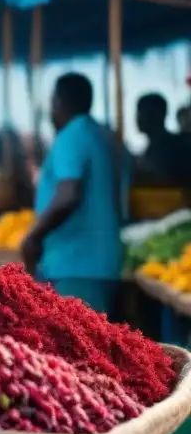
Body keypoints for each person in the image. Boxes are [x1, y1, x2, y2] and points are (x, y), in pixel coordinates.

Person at [21, 73, 128, 317]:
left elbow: (69, 194)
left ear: (59, 101)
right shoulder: (99, 133)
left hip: (76, 265)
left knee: (76, 348)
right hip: (96, 263)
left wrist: (34, 236)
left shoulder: (72, 135)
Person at [134, 93, 189, 186]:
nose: (137, 118)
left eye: (141, 112)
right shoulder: (150, 151)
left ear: (156, 114)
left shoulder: (177, 148)